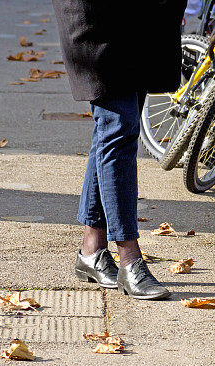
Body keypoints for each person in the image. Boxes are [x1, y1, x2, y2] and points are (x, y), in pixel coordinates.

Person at [51, 0, 187, 300]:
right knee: (119, 124)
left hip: (145, 13)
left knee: (117, 124)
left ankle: (92, 249)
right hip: (98, 13)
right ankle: (129, 257)